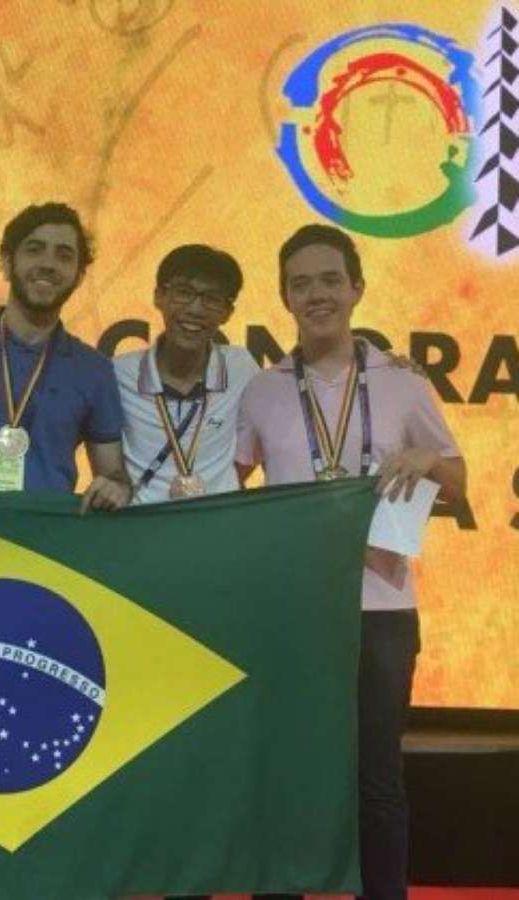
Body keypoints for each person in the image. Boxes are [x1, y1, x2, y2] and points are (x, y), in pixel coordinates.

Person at [236, 223, 467, 900]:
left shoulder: (403, 382)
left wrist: (425, 458)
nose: (317, 295)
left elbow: (457, 481)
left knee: (377, 778)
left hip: (383, 609)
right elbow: (228, 488)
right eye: (301, 284)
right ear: (284, 297)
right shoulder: (262, 390)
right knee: (287, 772)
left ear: (357, 288)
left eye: (330, 280)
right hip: (292, 610)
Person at [0, 202, 131, 513]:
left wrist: (115, 489)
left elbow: (114, 474)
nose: (48, 264)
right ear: (6, 262)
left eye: (64, 255)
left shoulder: (94, 369)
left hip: (45, 534)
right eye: (34, 249)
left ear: (79, 275)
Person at [113, 244, 259, 503]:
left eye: (212, 299)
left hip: (217, 522)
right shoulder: (118, 374)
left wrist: (223, 486)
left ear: (228, 312)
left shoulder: (241, 367)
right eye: (183, 292)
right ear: (159, 296)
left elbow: (257, 445)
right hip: (141, 523)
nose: (195, 309)